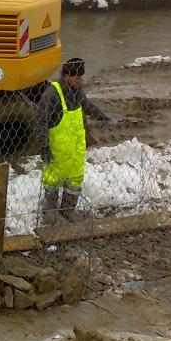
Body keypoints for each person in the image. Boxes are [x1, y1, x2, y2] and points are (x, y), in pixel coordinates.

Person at [36, 57, 112, 224]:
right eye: (77, 77)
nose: (80, 81)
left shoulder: (77, 92)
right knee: (52, 182)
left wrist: (102, 116)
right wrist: (44, 146)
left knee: (75, 180)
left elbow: (87, 105)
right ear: (66, 75)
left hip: (76, 150)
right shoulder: (52, 94)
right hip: (58, 152)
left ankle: (68, 211)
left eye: (81, 77)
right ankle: (50, 212)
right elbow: (41, 121)